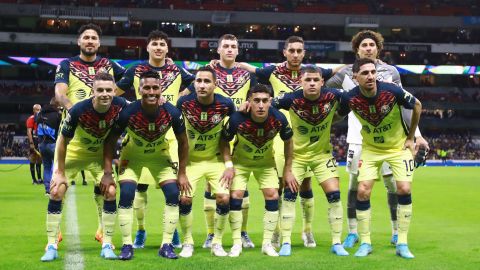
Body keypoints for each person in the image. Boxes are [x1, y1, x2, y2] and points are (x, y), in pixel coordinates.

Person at [325, 30, 429, 248]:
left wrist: (416, 135)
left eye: (372, 45)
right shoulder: (345, 73)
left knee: (393, 185)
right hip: (358, 138)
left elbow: (406, 105)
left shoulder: (391, 72)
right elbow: (320, 90)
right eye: (364, 45)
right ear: (357, 49)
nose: (368, 48)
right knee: (356, 185)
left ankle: (395, 231)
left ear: (378, 48)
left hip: (391, 140)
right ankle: (353, 232)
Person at [238, 36, 336, 248]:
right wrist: (219, 63)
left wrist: (367, 61)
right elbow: (250, 70)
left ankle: (307, 231)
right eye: (291, 50)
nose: (295, 54)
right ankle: (277, 232)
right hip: (279, 137)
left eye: (299, 50)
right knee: (281, 185)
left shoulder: (312, 72)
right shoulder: (272, 71)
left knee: (306, 186)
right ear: (285, 52)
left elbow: (338, 70)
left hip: (307, 139)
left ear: (304, 53)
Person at [116, 30, 193, 249]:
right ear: (147, 48)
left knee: (173, 190)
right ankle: (140, 230)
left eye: (162, 44)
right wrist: (127, 106)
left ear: (167, 49)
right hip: (140, 135)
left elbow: (197, 83)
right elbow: (116, 92)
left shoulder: (176, 69)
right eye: (154, 44)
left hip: (169, 137)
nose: (158, 47)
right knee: (140, 189)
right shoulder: (135, 70)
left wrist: (178, 99)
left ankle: (173, 231)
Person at [338, 58, 422, 259]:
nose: (370, 76)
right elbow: (336, 115)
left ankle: (402, 242)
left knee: (403, 188)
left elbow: (417, 105)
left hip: (397, 148)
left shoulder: (391, 91)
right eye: (365, 73)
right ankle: (365, 242)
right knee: (362, 191)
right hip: (371, 150)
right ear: (354, 77)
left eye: (373, 72)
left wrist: (411, 137)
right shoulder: (350, 98)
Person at [41, 72, 128, 262]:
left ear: (114, 91)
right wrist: (60, 172)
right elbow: (62, 141)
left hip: (98, 155)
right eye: (100, 90)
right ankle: (51, 245)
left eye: (108, 90)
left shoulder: (121, 106)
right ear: (92, 92)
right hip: (73, 153)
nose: (105, 94)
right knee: (56, 191)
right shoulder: (78, 110)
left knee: (111, 191)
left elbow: (141, 109)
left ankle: (107, 243)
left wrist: (161, 99)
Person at [103, 70, 189, 260]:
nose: (151, 91)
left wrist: (182, 172)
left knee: (174, 194)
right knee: (126, 194)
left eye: (155, 88)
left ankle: (166, 245)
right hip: (132, 157)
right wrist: (108, 172)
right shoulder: (127, 112)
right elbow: (109, 142)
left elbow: (184, 142)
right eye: (147, 88)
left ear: (161, 89)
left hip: (160, 156)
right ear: (139, 90)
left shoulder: (172, 112)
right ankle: (127, 245)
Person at [181, 34, 256, 249]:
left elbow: (255, 96)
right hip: (214, 133)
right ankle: (211, 234)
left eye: (233, 46)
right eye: (226, 46)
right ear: (219, 50)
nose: (230, 50)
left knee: (240, 183)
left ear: (238, 50)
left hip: (240, 132)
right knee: (212, 184)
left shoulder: (246, 74)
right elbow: (188, 93)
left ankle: (242, 232)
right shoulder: (208, 71)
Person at [54, 23, 125, 245]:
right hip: (73, 137)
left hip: (100, 140)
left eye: (94, 38)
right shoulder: (67, 64)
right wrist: (77, 111)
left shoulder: (109, 65)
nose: (90, 41)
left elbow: (133, 77)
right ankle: (54, 232)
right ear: (79, 41)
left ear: (99, 43)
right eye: (86, 37)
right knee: (58, 187)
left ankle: (103, 231)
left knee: (107, 188)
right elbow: (59, 93)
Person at [272, 66, 348, 256]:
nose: (312, 83)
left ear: (322, 82)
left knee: (334, 195)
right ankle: (286, 242)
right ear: (301, 82)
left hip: (322, 155)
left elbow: (350, 102)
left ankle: (337, 242)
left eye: (316, 80)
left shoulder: (334, 96)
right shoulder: (290, 99)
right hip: (296, 156)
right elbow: (267, 107)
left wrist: (336, 117)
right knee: (289, 195)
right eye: (308, 80)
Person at [221, 84, 293, 257]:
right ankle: (237, 243)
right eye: (256, 101)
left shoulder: (279, 118)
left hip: (266, 164)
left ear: (270, 102)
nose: (261, 105)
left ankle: (267, 243)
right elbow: (223, 141)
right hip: (240, 163)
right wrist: (229, 166)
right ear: (249, 102)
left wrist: (288, 169)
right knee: (236, 196)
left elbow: (289, 142)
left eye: (265, 101)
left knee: (273, 195)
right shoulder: (237, 118)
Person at [176, 67, 236, 257]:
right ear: (194, 83)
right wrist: (181, 170)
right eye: (198, 80)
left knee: (224, 198)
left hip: (215, 160)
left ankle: (217, 242)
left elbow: (229, 134)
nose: (202, 85)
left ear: (215, 85)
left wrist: (229, 165)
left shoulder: (226, 104)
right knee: (184, 199)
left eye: (207, 81)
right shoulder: (183, 103)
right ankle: (187, 242)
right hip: (191, 162)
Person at [36, 97, 61, 195]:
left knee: (46, 167)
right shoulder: (57, 115)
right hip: (53, 144)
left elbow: (37, 123)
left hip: (42, 144)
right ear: (57, 105)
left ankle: (47, 190)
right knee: (56, 167)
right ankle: (55, 187)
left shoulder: (40, 114)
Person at [26, 104, 42, 184]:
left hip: (40, 140)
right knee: (33, 159)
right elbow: (29, 132)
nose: (38, 111)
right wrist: (31, 143)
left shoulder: (41, 118)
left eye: (39, 109)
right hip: (34, 140)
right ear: (33, 110)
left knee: (39, 160)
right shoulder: (31, 119)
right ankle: (33, 179)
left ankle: (39, 179)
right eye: (37, 109)